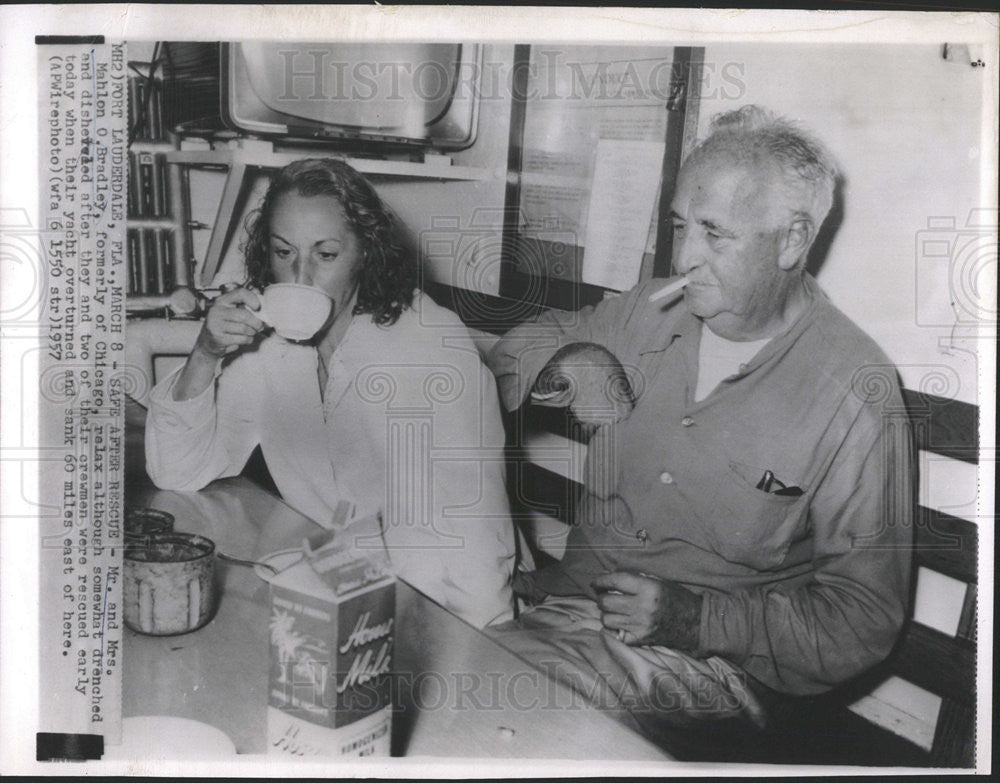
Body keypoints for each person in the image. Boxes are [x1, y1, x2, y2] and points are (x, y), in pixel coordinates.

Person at [485, 106, 913, 732]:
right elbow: (508, 354)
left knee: (502, 707)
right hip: (566, 612)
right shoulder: (645, 311)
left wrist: (700, 619)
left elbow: (861, 619)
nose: (684, 257)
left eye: (715, 234)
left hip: (714, 668)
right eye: (681, 225)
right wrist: (571, 362)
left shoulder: (855, 394)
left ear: (792, 240)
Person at [145, 158, 516, 629]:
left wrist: (476, 655)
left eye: (325, 255)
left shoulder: (431, 351)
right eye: (284, 253)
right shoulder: (269, 341)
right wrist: (206, 353)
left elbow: (475, 542)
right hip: (326, 585)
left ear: (366, 252)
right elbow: (179, 469)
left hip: (429, 602)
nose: (299, 278)